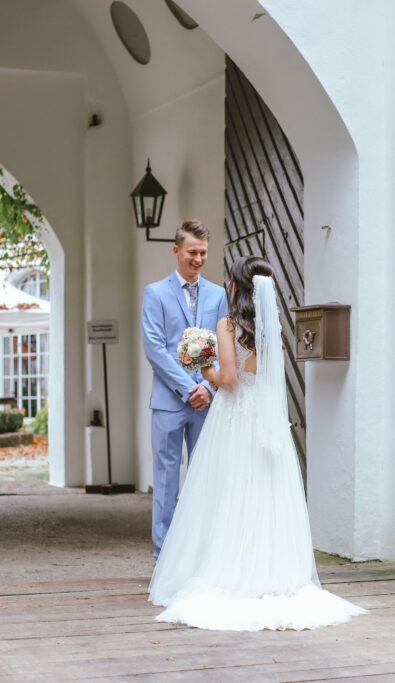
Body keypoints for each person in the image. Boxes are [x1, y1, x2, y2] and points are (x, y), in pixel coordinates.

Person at [148, 255, 366, 631]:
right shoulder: (272, 327)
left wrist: (205, 370)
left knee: (229, 492)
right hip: (265, 419)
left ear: (236, 286)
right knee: (265, 493)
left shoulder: (227, 325)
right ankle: (271, 571)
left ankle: (229, 570)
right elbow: (263, 377)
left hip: (234, 419)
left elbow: (229, 379)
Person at [141, 219, 229, 558]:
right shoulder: (155, 293)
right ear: (176, 250)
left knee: (205, 475)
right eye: (192, 252)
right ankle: (165, 552)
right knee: (166, 478)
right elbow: (155, 348)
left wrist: (210, 387)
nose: (198, 259)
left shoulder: (218, 295)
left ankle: (202, 549)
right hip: (169, 401)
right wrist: (189, 388)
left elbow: (224, 346)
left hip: (208, 401)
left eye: (203, 253)